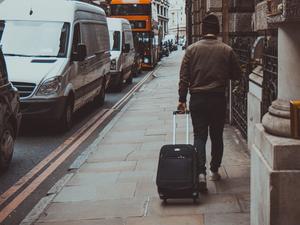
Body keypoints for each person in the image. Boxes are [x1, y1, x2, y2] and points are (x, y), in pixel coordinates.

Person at [177, 14, 242, 192]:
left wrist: (182, 99)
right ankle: (214, 169)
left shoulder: (191, 50)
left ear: (203, 30)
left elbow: (184, 78)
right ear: (217, 30)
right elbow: (237, 74)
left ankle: (200, 174)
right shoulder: (226, 50)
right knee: (216, 135)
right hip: (217, 99)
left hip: (197, 99)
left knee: (199, 136)